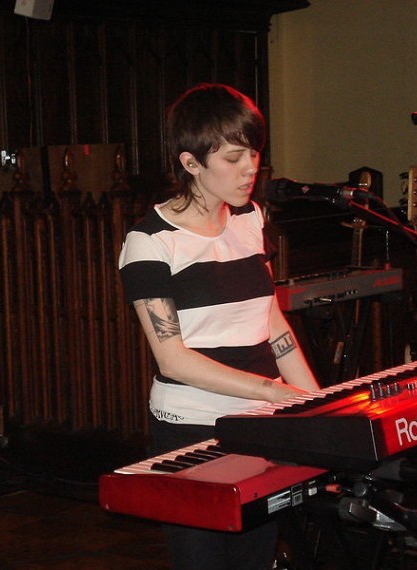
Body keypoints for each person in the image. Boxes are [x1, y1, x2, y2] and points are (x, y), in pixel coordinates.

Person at [117, 83, 320, 569]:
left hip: (262, 424)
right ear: (191, 163)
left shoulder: (251, 218)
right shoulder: (150, 241)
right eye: (233, 157)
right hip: (193, 427)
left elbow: (272, 322)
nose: (251, 167)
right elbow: (174, 359)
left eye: (253, 152)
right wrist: (271, 392)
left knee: (254, 555)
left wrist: (318, 404)